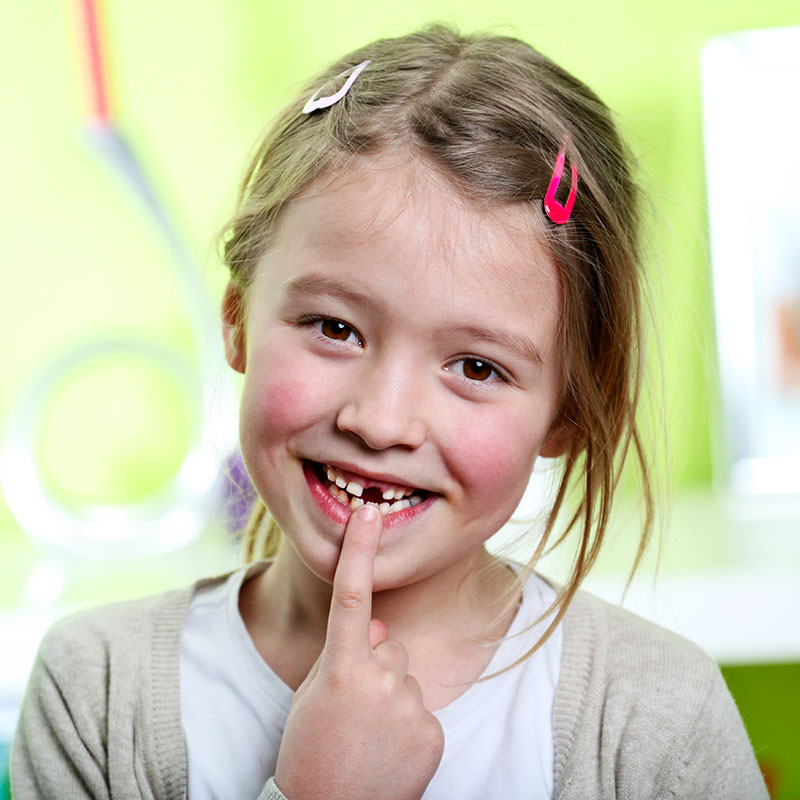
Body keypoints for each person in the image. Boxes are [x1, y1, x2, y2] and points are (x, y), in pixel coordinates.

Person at [11, 24, 767, 800]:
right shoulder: (96, 696)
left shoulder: (657, 723)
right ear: (234, 321)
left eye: (476, 367)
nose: (381, 421)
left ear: (569, 413)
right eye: (334, 328)